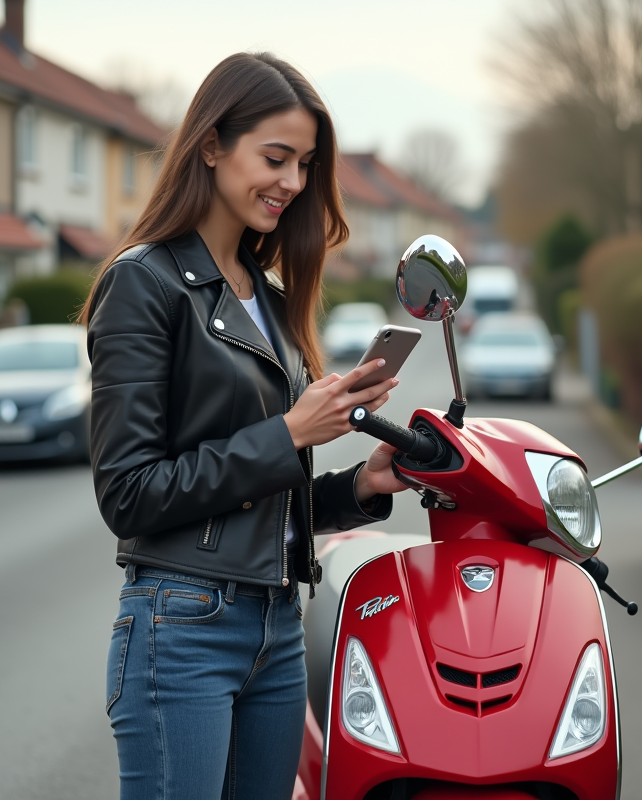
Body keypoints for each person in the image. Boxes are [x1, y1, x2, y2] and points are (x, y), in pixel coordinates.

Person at [80, 52, 409, 799]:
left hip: (277, 626)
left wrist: (360, 486)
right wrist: (290, 432)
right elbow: (128, 494)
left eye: (305, 165)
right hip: (182, 627)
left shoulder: (269, 297)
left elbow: (260, 507)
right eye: (275, 157)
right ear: (210, 146)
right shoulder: (144, 283)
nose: (291, 182)